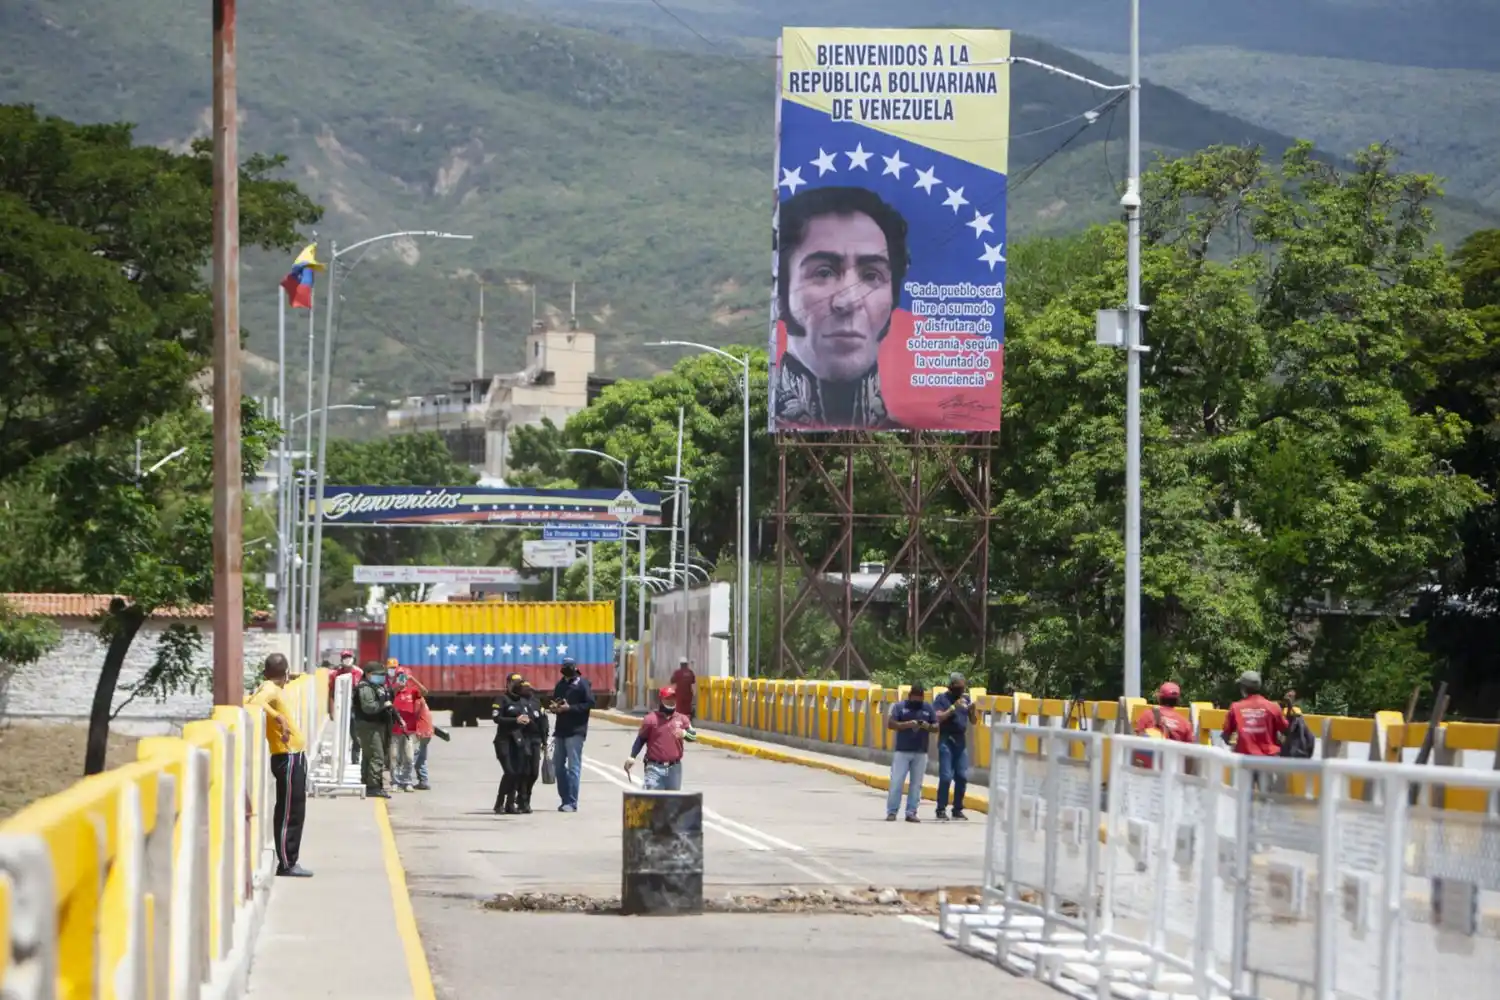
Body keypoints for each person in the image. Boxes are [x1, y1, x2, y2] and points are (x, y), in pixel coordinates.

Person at [774, 186, 908, 429]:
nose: (849, 301)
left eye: (871, 275)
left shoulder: (911, 444)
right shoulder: (751, 436)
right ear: (781, 294)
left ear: (893, 298)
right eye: (823, 272)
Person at [247, 653, 312, 877]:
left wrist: (290, 676)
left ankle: (290, 859)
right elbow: (254, 702)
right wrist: (279, 718)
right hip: (287, 756)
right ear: (284, 673)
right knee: (288, 811)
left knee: (296, 809)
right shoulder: (269, 689)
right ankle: (286, 862)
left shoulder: (273, 686)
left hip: (294, 755)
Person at [548, 657, 595, 813]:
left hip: (576, 730)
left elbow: (589, 704)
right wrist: (555, 707)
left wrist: (570, 708)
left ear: (575, 668)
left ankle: (572, 802)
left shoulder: (582, 684)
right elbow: (556, 700)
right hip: (560, 729)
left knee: (573, 766)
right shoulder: (560, 685)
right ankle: (564, 799)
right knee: (558, 766)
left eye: (569, 666)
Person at [885, 682, 937, 823]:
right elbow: (891, 724)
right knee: (896, 782)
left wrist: (928, 726)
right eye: (915, 699)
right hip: (902, 751)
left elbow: (936, 726)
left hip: (921, 752)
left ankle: (911, 812)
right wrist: (907, 724)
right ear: (910, 696)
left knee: (916, 784)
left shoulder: (927, 708)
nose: (917, 702)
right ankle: (892, 812)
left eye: (919, 699)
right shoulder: (900, 707)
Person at [932, 672, 979, 821]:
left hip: (960, 741)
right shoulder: (941, 699)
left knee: (962, 776)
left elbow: (974, 721)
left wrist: (972, 711)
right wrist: (953, 708)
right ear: (951, 686)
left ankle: (957, 809)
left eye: (963, 687)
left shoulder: (965, 699)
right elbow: (938, 717)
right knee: (946, 776)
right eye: (958, 687)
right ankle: (941, 809)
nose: (961, 690)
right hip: (946, 740)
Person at [625, 686, 690, 790]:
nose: (671, 701)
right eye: (667, 698)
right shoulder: (650, 719)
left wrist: (685, 734)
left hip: (674, 769)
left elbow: (693, 735)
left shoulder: (682, 719)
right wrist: (632, 756)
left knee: (672, 802)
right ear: (661, 700)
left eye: (673, 698)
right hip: (654, 768)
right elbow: (641, 739)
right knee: (654, 801)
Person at [351, 660, 394, 798]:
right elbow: (369, 707)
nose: (381, 677)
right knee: (377, 756)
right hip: (368, 726)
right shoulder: (366, 688)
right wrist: (383, 705)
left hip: (375, 725)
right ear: (368, 674)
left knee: (369, 756)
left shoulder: (376, 686)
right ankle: (374, 786)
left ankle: (367, 782)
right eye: (377, 675)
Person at [492, 673, 534, 814]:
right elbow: (496, 718)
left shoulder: (522, 701)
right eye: (514, 682)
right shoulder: (501, 699)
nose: (517, 685)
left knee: (518, 773)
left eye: (519, 682)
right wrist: (515, 721)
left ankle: (510, 804)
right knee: (509, 772)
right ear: (508, 683)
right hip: (503, 739)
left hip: (518, 740)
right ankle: (499, 803)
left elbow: (530, 717)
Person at [1223, 670, 1289, 758]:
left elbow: (1226, 735)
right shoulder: (1273, 707)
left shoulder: (1235, 707)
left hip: (1244, 760)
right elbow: (1286, 730)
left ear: (1243, 688)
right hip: (1270, 760)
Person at [390, 665, 421, 792]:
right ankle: (395, 781)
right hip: (395, 730)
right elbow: (389, 694)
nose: (401, 678)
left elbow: (424, 692)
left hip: (409, 730)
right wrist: (396, 685)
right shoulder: (393, 691)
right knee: (394, 756)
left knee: (408, 757)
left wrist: (413, 679)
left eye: (403, 676)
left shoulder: (412, 691)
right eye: (398, 676)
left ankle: (407, 780)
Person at [518, 680, 548, 811]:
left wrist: (545, 741)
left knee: (534, 772)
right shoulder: (517, 702)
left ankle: (527, 795)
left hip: (536, 740)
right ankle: (522, 800)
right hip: (523, 740)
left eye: (529, 688)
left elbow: (543, 722)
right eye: (524, 688)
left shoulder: (537, 702)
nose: (527, 691)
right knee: (524, 771)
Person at [329, 652, 362, 765]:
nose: (347, 660)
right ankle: (340, 759)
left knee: (356, 736)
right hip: (341, 707)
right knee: (341, 735)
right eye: (344, 658)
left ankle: (355, 759)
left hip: (356, 709)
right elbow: (331, 694)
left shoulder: (359, 673)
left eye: (349, 657)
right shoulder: (335, 675)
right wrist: (332, 710)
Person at [412, 686, 435, 791]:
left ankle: (404, 780)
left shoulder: (416, 701)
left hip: (420, 731)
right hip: (427, 731)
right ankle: (423, 780)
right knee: (421, 757)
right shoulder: (422, 700)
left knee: (413, 757)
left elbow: (412, 715)